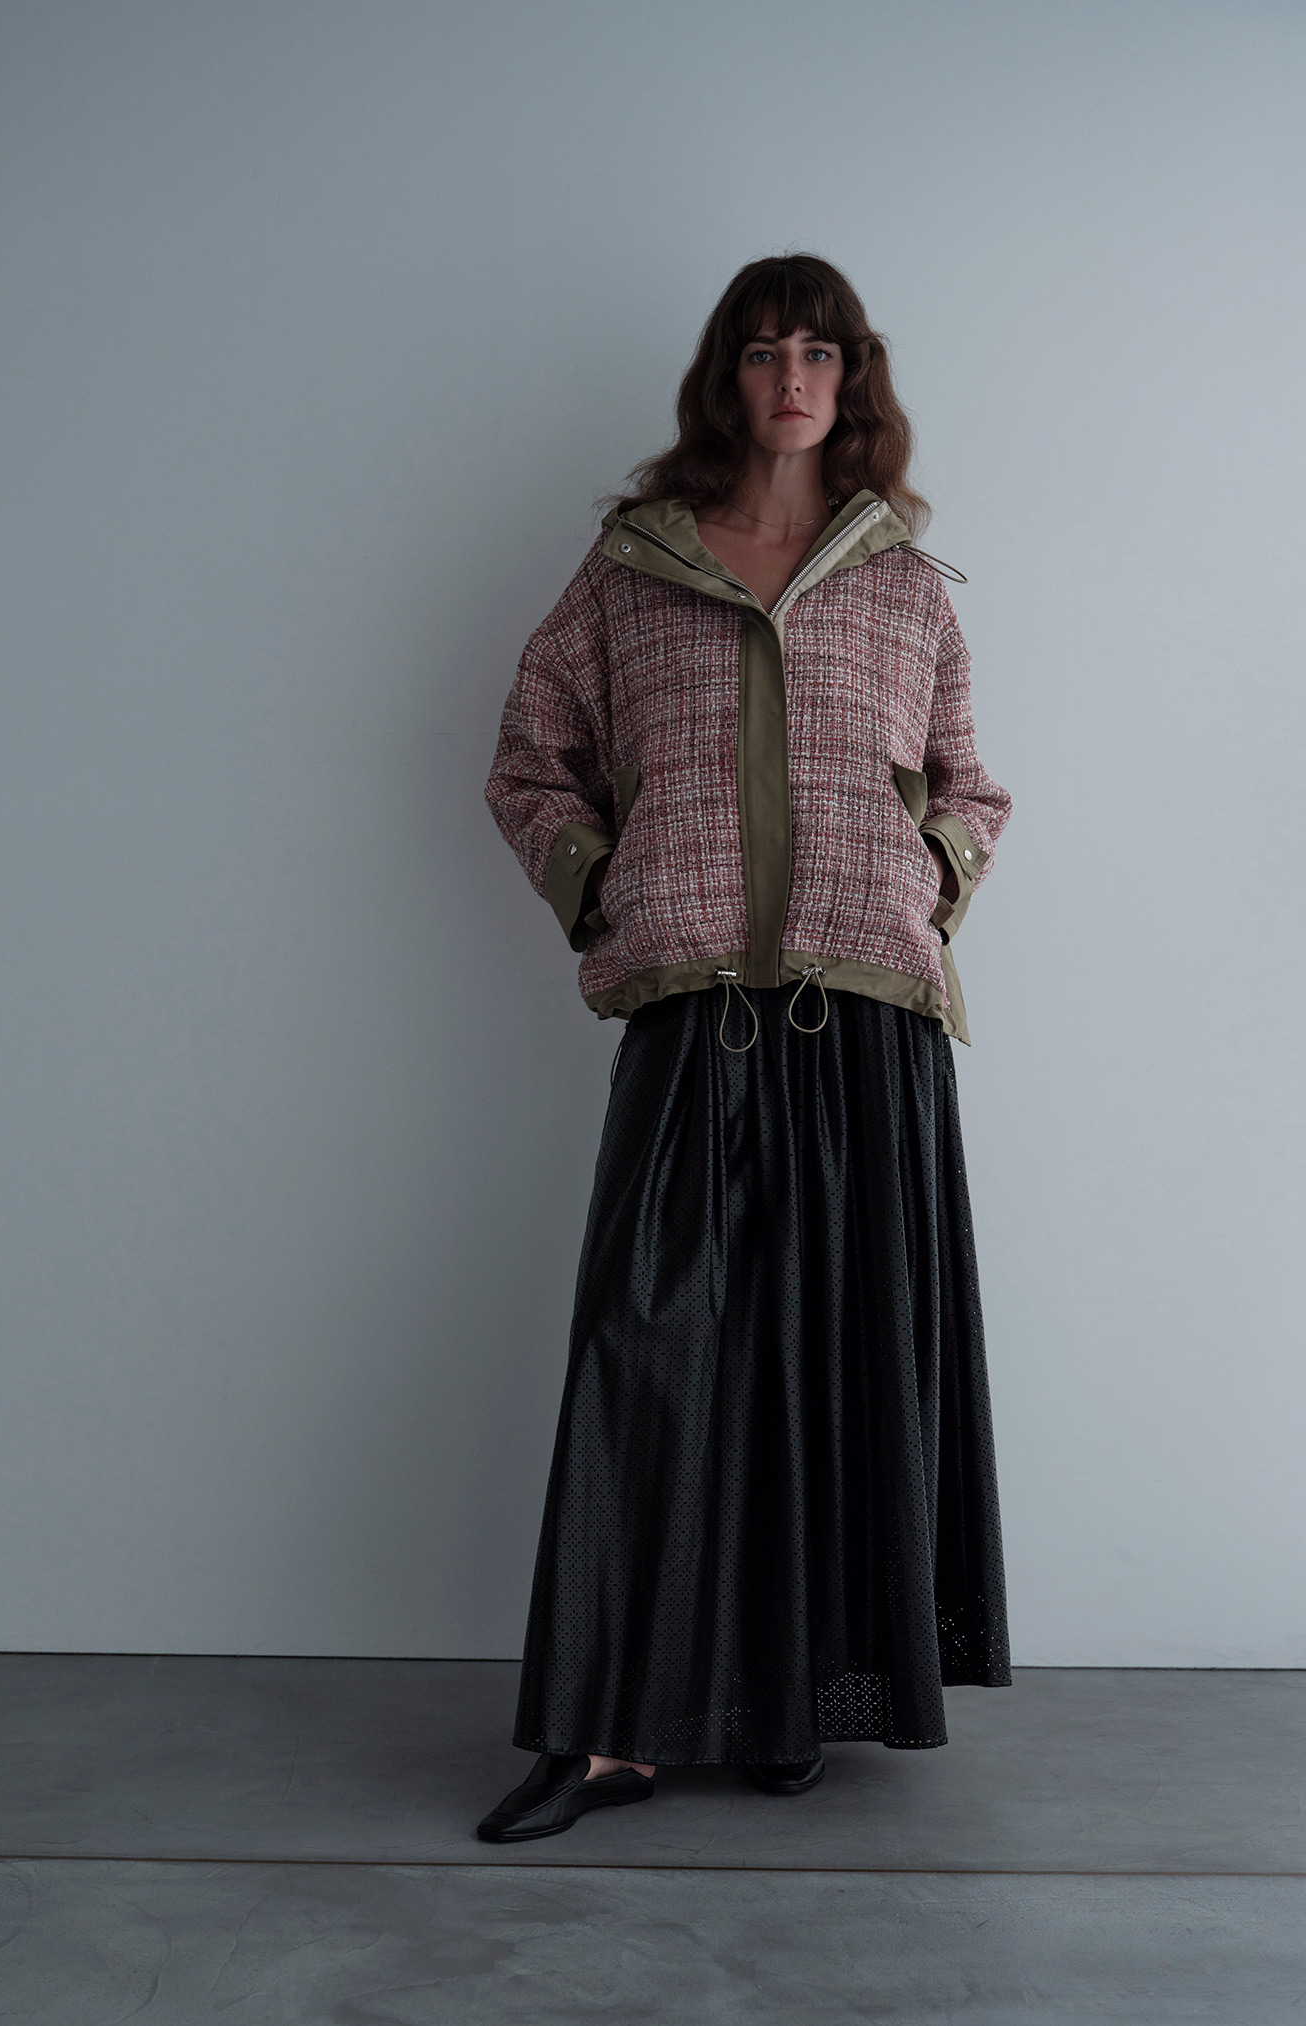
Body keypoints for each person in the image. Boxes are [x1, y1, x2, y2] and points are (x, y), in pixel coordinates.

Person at [477, 253, 1012, 1844]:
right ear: (729, 374)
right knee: (647, 1349)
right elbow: (530, 759)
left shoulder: (906, 584)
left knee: (839, 1362)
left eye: (820, 353)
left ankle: (796, 1703)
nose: (793, 378)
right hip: (695, 1006)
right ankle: (608, 1733)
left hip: (864, 1019)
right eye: (766, 350)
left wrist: (924, 879)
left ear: (855, 378)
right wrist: (604, 887)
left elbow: (971, 785)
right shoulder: (630, 570)